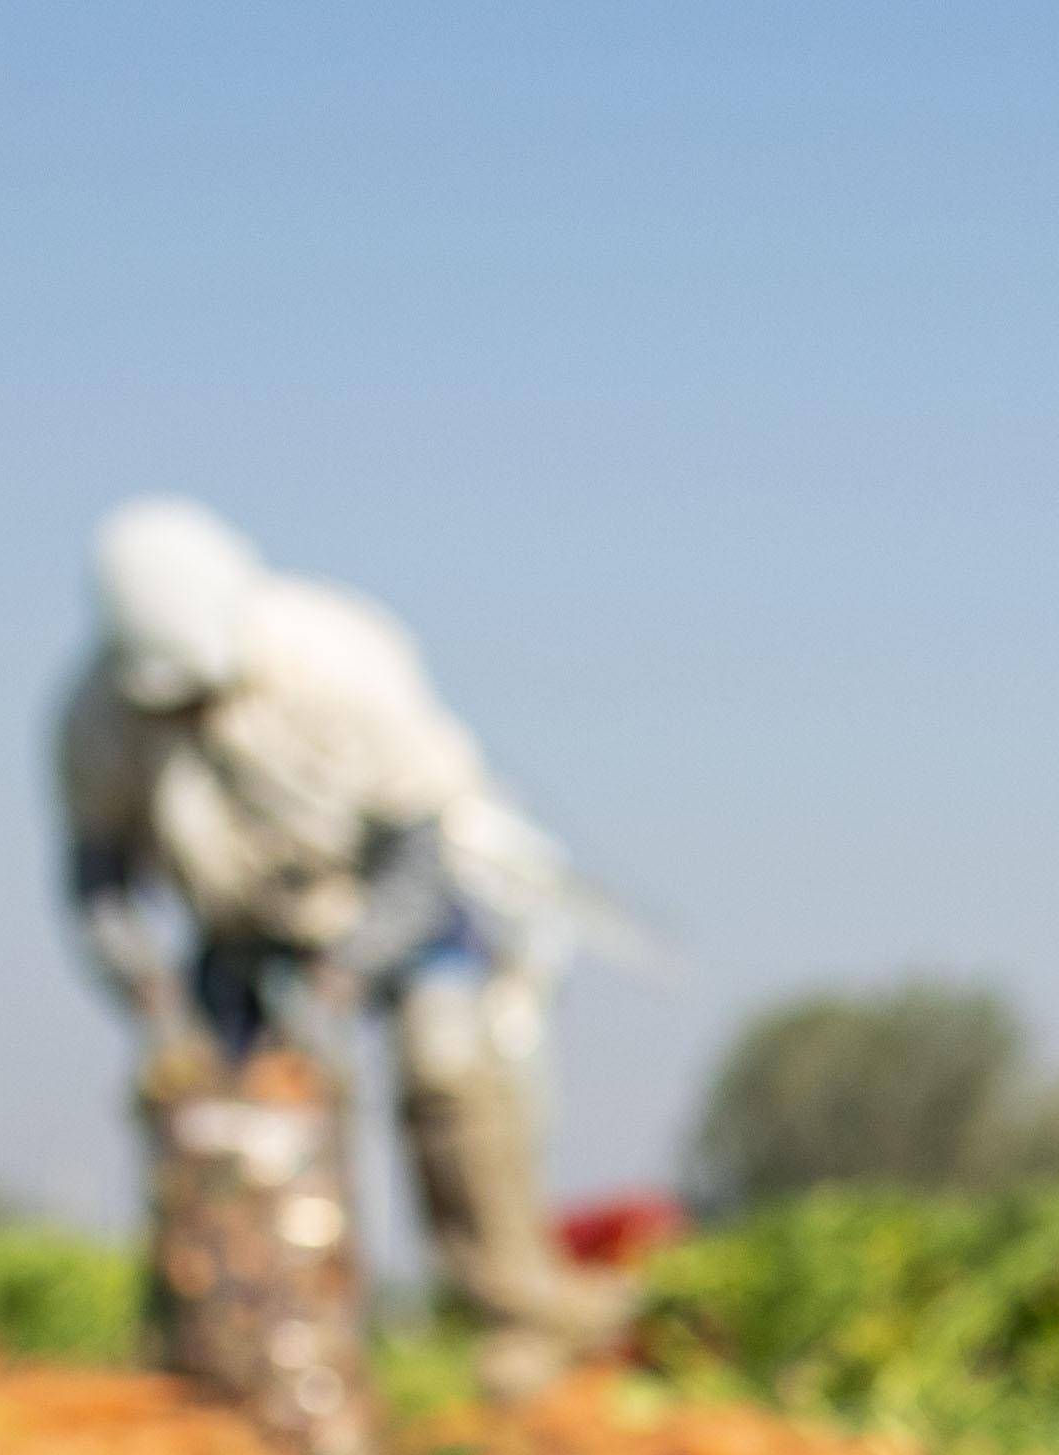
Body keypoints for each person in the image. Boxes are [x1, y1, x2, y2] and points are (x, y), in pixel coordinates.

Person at [52, 496, 630, 1387]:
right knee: (219, 1117)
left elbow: (418, 847)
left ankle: (520, 1313)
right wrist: (144, 986)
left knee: (449, 1070)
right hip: (236, 932)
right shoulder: (96, 718)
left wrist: (344, 972)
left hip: (396, 905)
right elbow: (99, 881)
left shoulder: (338, 658)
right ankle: (234, 1341)